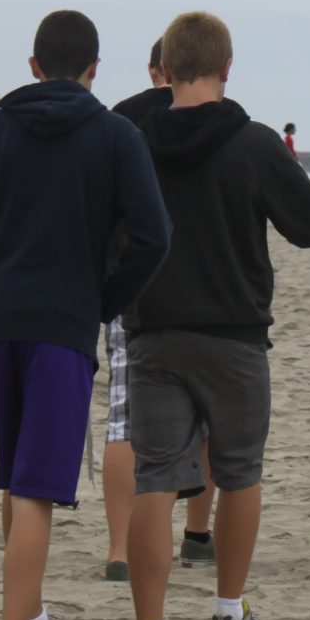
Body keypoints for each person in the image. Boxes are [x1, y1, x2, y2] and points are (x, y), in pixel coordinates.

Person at [0, 10, 168, 620]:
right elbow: (153, 236)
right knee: (37, 487)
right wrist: (104, 299)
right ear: (95, 68)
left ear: (34, 65)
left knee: (17, 477)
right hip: (60, 325)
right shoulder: (116, 135)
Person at [121, 12, 310, 620]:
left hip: (154, 328)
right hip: (234, 333)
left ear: (165, 69)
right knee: (240, 472)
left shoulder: (133, 140)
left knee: (155, 479)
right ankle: (227, 613)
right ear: (226, 68)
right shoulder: (253, 144)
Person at [102, 38, 214, 582]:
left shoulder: (120, 121)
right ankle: (196, 534)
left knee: (123, 418)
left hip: (131, 281)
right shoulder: (221, 121)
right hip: (204, 285)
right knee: (205, 417)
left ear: (157, 69)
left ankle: (120, 549)